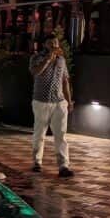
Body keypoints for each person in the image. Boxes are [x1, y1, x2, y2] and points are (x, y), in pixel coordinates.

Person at [29, 35, 73, 177]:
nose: (54, 44)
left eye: (55, 42)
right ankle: (37, 162)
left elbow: (65, 81)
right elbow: (36, 72)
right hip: (41, 101)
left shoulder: (62, 60)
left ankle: (63, 166)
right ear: (45, 44)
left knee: (61, 134)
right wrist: (48, 58)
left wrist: (69, 100)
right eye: (50, 42)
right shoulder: (36, 58)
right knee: (39, 133)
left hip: (59, 102)